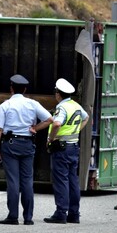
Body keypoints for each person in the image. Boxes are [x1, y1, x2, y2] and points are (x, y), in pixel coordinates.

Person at [0, 74, 53, 226]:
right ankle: (28, 218)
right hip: (28, 144)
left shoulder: (5, 105)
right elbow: (49, 119)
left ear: (11, 89)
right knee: (27, 181)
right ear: (25, 89)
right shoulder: (33, 104)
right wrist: (35, 128)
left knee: (13, 181)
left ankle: (13, 216)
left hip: (10, 144)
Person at [44, 78, 90, 224]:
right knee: (72, 181)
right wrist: (76, 131)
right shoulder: (75, 105)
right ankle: (74, 214)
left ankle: (61, 213)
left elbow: (57, 123)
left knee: (61, 180)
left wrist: (51, 138)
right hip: (73, 147)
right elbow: (86, 117)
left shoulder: (62, 108)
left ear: (58, 94)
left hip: (61, 148)